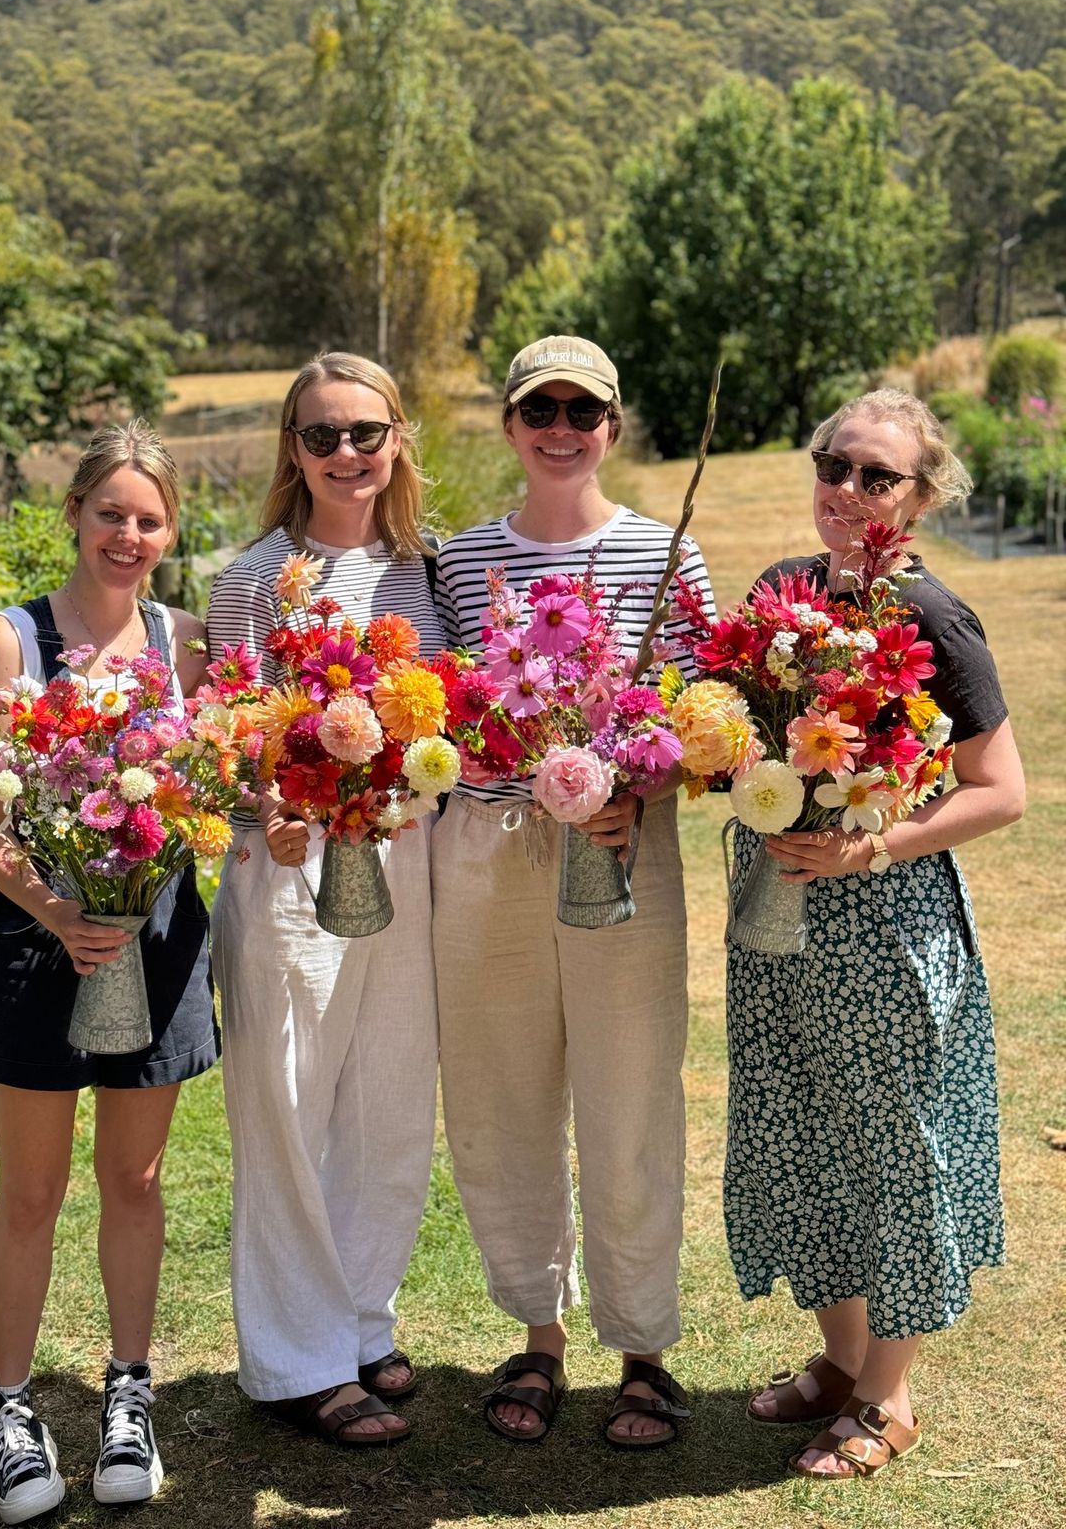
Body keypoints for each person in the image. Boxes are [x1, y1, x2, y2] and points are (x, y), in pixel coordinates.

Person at [726, 388, 1024, 1479]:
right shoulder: (779, 593)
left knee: (892, 1145)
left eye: (877, 476)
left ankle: (890, 1395)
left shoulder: (932, 616)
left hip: (883, 923)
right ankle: (843, 1361)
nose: (846, 491)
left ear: (923, 496)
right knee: (800, 1132)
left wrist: (874, 847)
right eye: (833, 464)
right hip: (776, 908)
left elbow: (1004, 790)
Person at [432, 335, 717, 1447]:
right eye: (539, 406)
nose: (561, 427)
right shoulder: (462, 563)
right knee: (503, 1094)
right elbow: (451, 720)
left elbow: (700, 714)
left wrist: (640, 790)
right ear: (509, 424)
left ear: (614, 425)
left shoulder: (666, 550)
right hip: (493, 845)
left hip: (621, 846)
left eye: (582, 409)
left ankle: (643, 1345)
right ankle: (538, 1335)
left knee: (630, 1086)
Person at [0, 420, 217, 1524]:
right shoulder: (8, 644)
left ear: (168, 533)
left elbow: (211, 793)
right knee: (31, 1189)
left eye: (148, 518)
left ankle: (127, 1392)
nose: (128, 533)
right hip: (35, 941)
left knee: (136, 1181)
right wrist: (61, 912)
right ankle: (10, 1410)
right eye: (110, 511)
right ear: (73, 512)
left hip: (154, 944)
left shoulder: (187, 644)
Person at [206, 352, 444, 1447]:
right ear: (290, 451)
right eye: (320, 436)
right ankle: (299, 1359)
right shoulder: (253, 576)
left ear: (396, 436)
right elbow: (228, 733)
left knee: (389, 1099)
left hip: (411, 861)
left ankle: (359, 1317)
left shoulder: (425, 573)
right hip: (290, 870)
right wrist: (268, 811)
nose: (345, 454)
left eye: (365, 432)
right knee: (288, 1104)